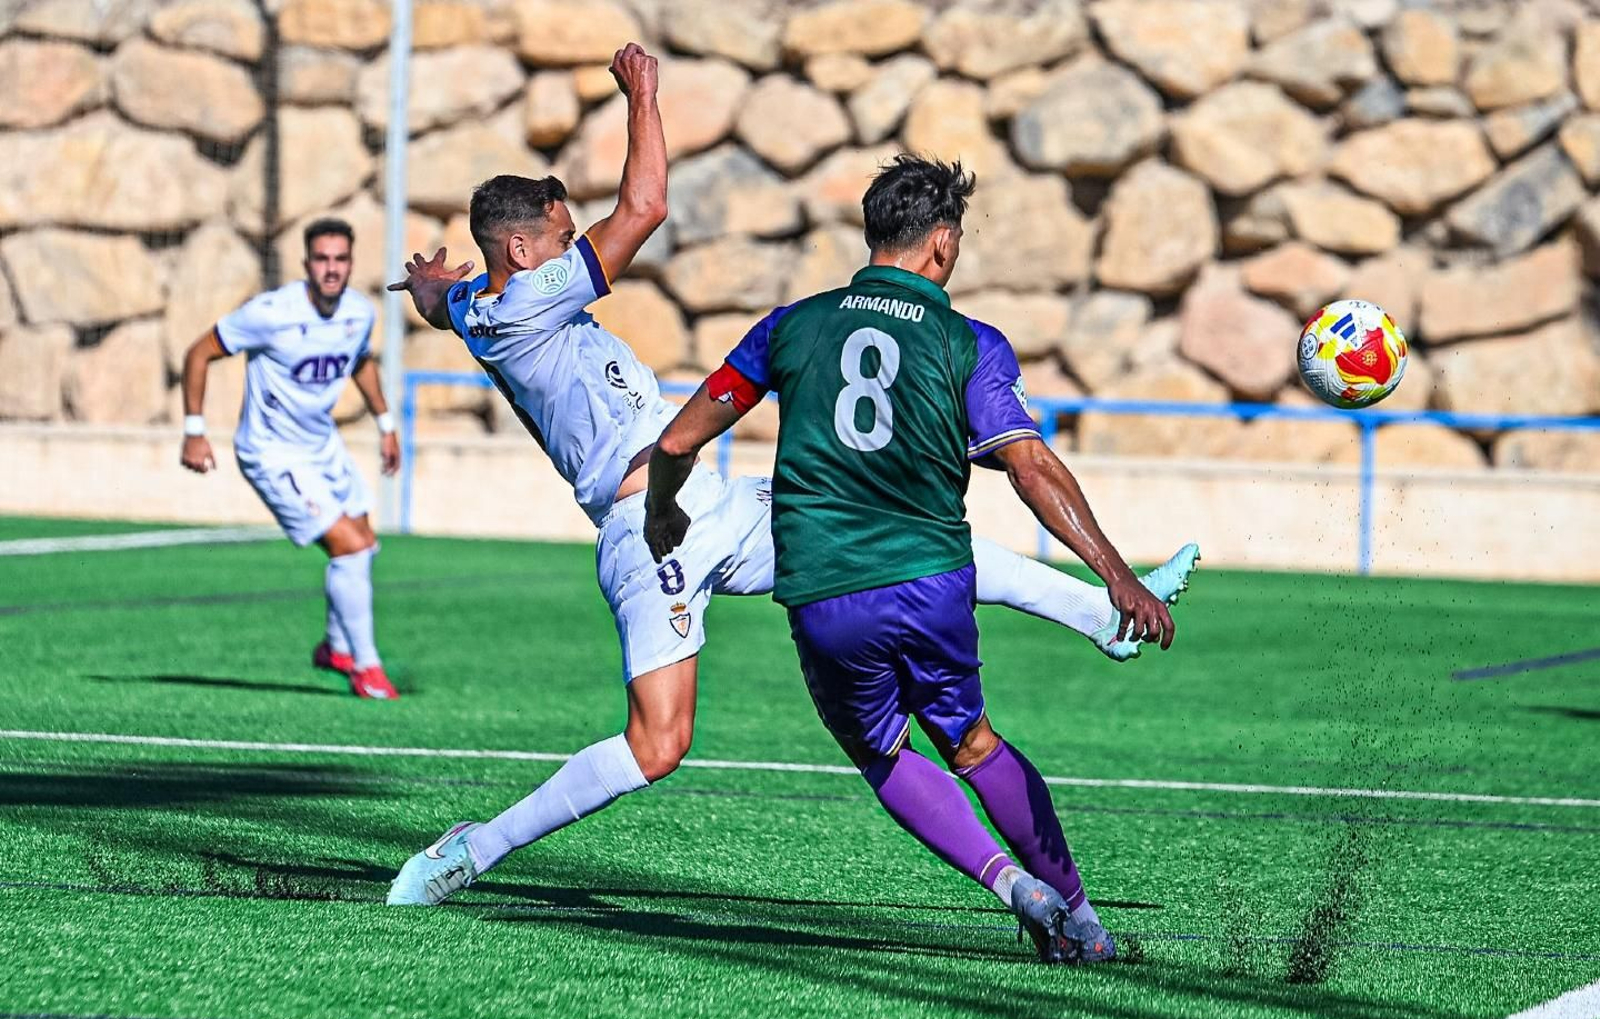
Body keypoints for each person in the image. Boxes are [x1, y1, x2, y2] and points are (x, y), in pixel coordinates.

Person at [383, 45, 1197, 907]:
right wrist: (644, 97)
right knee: (658, 746)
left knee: (899, 537)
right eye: (559, 233)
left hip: (709, 504)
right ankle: (475, 848)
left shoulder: (480, 308)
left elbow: (447, 305)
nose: (572, 244)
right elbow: (646, 205)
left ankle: (1101, 611)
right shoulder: (531, 298)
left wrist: (431, 290)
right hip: (646, 528)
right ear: (521, 246)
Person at [642, 155, 1178, 963]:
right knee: (973, 742)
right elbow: (1028, 463)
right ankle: (1083, 918)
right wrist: (1115, 572)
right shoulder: (969, 342)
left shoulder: (791, 325)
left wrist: (662, 512)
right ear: (940, 243)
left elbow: (679, 440)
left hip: (824, 589)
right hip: (932, 580)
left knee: (881, 748)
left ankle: (1009, 885)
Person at [179, 217, 401, 700]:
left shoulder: (359, 313)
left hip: (321, 445)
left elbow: (359, 360)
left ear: (350, 263)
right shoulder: (270, 313)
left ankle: (336, 647)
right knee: (351, 547)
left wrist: (385, 424)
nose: (331, 269)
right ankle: (367, 668)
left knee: (364, 538)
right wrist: (194, 431)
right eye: (321, 259)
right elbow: (198, 353)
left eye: (340, 259)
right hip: (271, 452)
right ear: (306, 264)